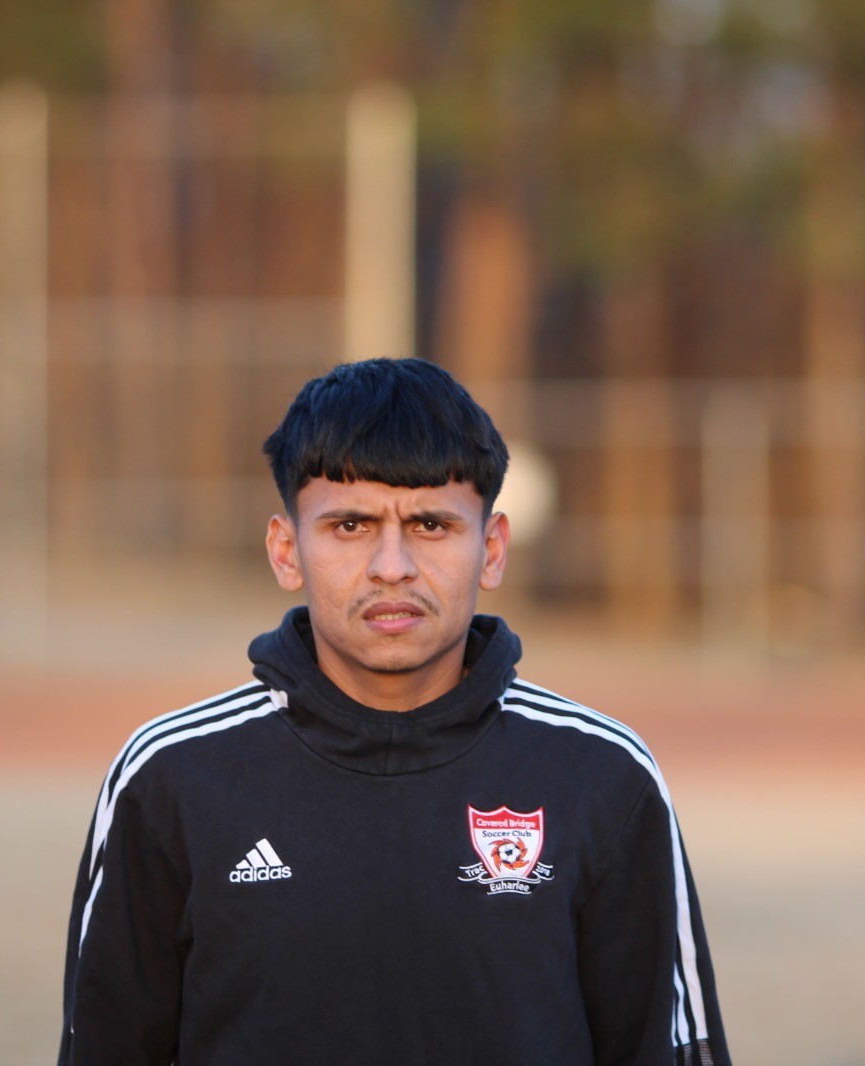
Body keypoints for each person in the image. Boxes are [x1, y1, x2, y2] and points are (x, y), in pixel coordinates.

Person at [58, 357, 730, 1066]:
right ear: (287, 550)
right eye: (350, 525)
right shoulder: (173, 778)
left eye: (431, 525)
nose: (391, 566)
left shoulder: (602, 776)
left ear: (492, 549)